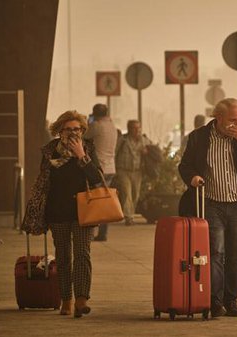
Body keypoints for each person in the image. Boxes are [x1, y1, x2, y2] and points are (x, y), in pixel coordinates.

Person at [178, 98, 237, 318]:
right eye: (232, 120)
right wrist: (193, 177)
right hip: (211, 203)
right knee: (216, 253)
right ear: (218, 118)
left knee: (235, 255)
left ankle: (232, 300)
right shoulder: (199, 137)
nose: (236, 124)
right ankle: (215, 301)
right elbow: (185, 165)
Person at [21, 110, 103, 318]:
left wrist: (81, 156)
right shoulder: (50, 152)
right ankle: (66, 299)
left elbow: (97, 179)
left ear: (83, 130)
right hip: (57, 210)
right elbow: (42, 183)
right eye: (68, 129)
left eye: (77, 129)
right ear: (59, 131)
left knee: (82, 254)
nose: (74, 133)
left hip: (84, 210)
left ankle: (82, 299)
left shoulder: (88, 149)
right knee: (64, 256)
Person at [83, 104, 118, 242]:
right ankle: (103, 233)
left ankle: (92, 233)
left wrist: (89, 121)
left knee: (94, 201)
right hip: (110, 167)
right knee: (105, 201)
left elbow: (85, 136)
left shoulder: (97, 125)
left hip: (99, 168)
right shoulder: (111, 125)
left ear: (95, 114)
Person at [114, 120, 150, 226]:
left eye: (138, 128)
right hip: (123, 170)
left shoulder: (144, 140)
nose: (137, 130)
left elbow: (153, 151)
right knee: (127, 193)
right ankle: (129, 217)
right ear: (129, 129)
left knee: (135, 194)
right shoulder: (123, 140)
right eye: (134, 128)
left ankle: (130, 214)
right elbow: (115, 152)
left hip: (137, 171)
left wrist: (146, 152)